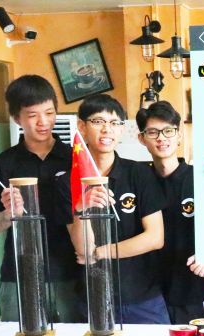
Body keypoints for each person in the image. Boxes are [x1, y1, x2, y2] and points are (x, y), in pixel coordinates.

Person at [0, 75, 79, 322]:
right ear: (16, 118)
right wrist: (9, 214)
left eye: (49, 113)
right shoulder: (3, 164)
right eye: (33, 115)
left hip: (71, 273)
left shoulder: (74, 159)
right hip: (18, 276)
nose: (43, 122)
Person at [68, 94, 169, 324]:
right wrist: (82, 207)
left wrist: (101, 252)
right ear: (81, 126)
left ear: (122, 130)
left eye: (114, 123)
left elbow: (155, 238)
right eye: (98, 121)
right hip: (93, 296)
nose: (107, 129)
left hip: (143, 296)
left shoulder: (140, 174)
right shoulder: (69, 180)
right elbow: (83, 250)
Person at [135, 101, 204, 324]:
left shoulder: (201, 178)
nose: (161, 138)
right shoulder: (138, 180)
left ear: (179, 135)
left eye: (168, 131)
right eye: (153, 132)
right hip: (147, 290)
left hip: (192, 285)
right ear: (141, 138)